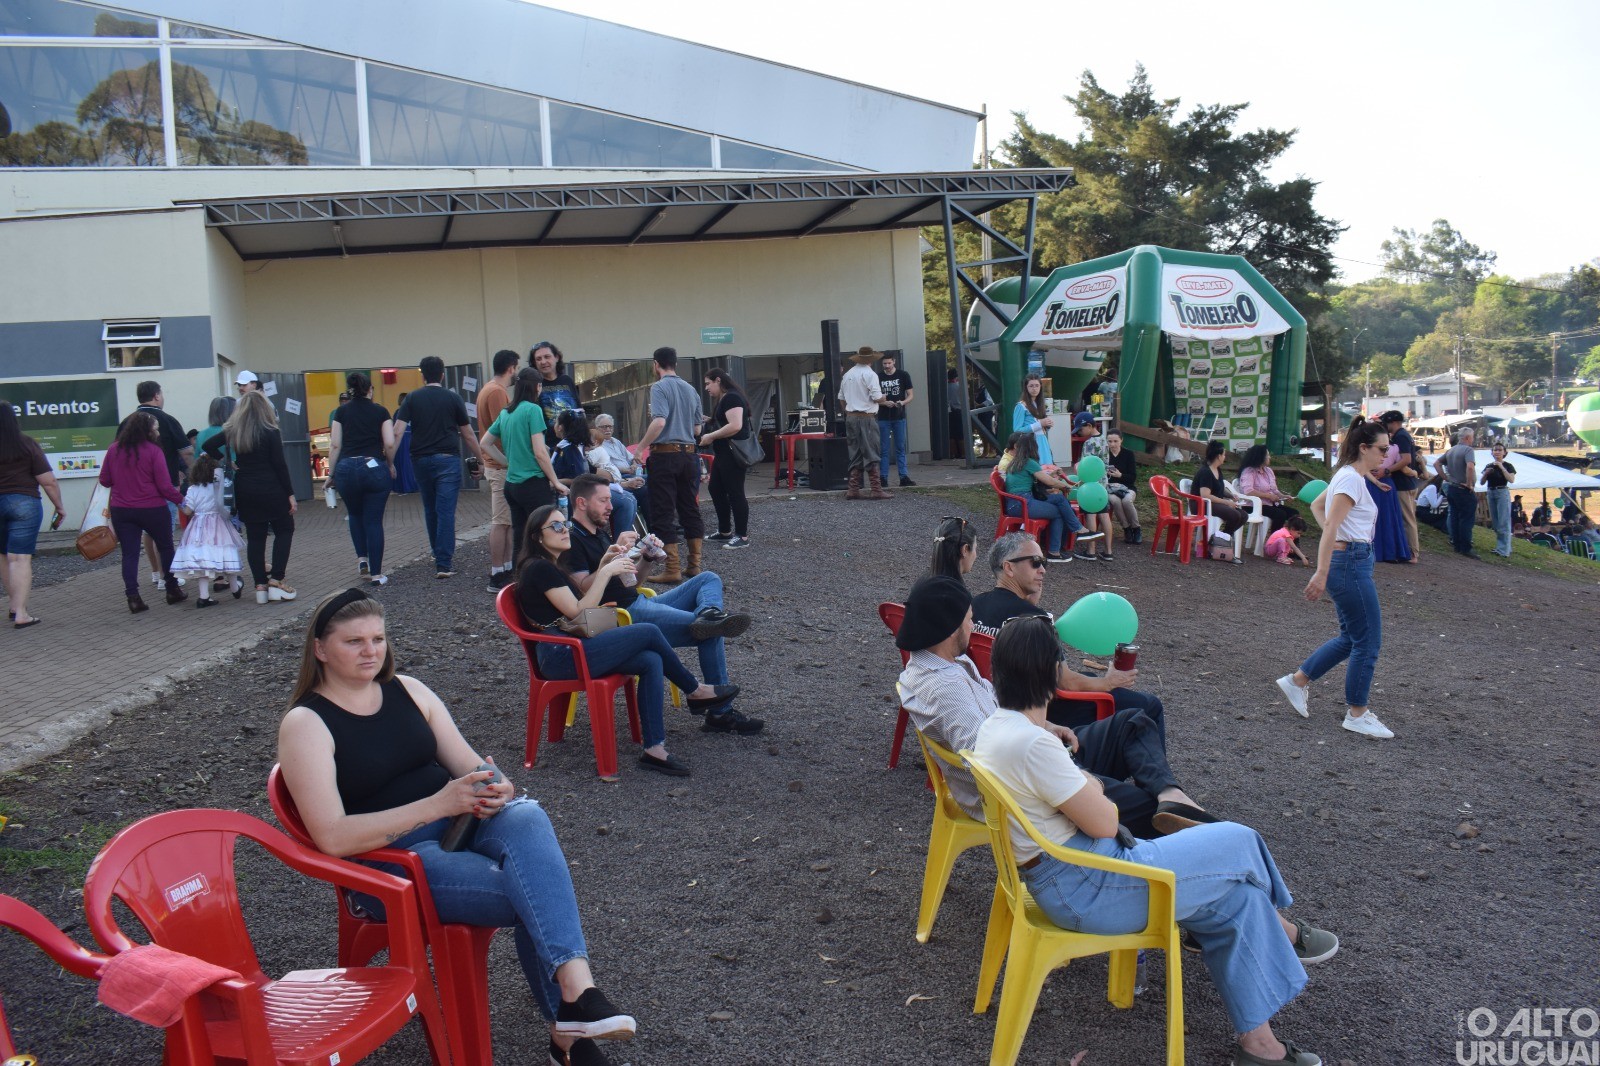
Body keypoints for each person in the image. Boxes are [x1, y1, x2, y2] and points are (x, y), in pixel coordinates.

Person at [276, 588, 639, 1066]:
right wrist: (436, 804)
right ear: (320, 649)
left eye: (378, 639)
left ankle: (578, 994)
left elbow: (470, 765)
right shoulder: (306, 723)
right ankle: (570, 1030)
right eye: (354, 642)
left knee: (527, 815)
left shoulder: (408, 690)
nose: (371, 652)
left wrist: (496, 785)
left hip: (459, 824)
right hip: (391, 864)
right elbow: (332, 836)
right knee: (534, 891)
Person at [973, 615, 1337, 1066]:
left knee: (1238, 899)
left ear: (1000, 670)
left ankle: (1260, 1048)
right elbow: (1105, 822)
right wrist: (1092, 783)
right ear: (1050, 672)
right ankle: (1287, 929)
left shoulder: (995, 729)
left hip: (1065, 878)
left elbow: (1051, 775)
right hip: (1090, 885)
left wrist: (1063, 754)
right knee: (1240, 839)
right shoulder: (1034, 746)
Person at [515, 504, 739, 777]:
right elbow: (577, 611)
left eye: (566, 524)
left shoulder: (550, 566)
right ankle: (694, 690)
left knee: (650, 659)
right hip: (561, 655)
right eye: (556, 526)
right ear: (537, 537)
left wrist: (603, 564)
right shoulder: (539, 568)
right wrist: (606, 572)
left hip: (568, 647)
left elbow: (579, 603)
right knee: (647, 631)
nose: (565, 530)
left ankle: (654, 749)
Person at [562, 474, 761, 735]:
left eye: (610, 500)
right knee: (713, 630)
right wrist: (608, 562)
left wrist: (646, 558)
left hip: (637, 601)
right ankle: (720, 714)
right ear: (581, 503)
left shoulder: (598, 533)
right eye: (603, 500)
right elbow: (582, 590)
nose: (611, 506)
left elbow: (631, 583)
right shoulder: (572, 540)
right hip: (620, 616)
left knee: (708, 579)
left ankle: (708, 613)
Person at [969, 531, 1168, 733]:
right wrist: (1108, 682)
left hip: (996, 702)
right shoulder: (1036, 621)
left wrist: (1029, 603)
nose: (1043, 570)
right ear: (1009, 568)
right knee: (1151, 705)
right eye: (1035, 562)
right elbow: (1065, 682)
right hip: (1044, 710)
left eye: (1044, 562)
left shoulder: (974, 606)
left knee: (1089, 674)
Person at [1276, 416, 1395, 739]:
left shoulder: (1350, 476)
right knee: (1367, 641)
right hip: (1350, 564)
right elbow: (1329, 523)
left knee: (1352, 637)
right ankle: (1357, 713)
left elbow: (1318, 506)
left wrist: (1339, 536)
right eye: (1382, 449)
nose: (1386, 455)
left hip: (1353, 560)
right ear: (1364, 447)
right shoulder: (1350, 480)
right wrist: (1322, 569)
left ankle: (1297, 681)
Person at [393, 357, 486, 579]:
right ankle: (443, 563)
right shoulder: (453, 398)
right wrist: (480, 459)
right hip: (447, 459)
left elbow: (397, 431)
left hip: (420, 460)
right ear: (442, 375)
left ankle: (437, 552)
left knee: (430, 508)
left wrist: (389, 461)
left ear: (422, 376)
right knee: (445, 511)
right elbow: (467, 433)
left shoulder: (412, 398)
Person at [204, 391, 298, 605]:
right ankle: (276, 579)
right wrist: (290, 493)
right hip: (272, 487)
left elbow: (209, 445)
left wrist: (227, 461)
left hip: (245, 487)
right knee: (285, 529)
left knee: (256, 537)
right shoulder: (271, 432)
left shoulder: (234, 430)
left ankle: (260, 586)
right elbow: (280, 465)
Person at [481, 368, 567, 568]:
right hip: (533, 485)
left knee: (520, 536)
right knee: (547, 535)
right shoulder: (532, 410)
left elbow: (485, 443)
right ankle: (550, 577)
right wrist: (555, 481)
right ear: (538, 387)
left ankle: (519, 578)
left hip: (512, 486)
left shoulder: (506, 412)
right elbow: (540, 452)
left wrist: (508, 462)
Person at [100, 412, 185, 613]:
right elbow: (164, 485)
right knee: (166, 547)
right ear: (147, 431)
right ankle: (172, 589)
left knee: (129, 554)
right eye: (155, 429)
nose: (158, 433)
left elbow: (105, 480)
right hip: (152, 508)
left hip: (122, 509)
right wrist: (182, 501)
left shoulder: (113, 449)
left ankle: (133, 597)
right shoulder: (154, 451)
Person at [636, 346, 708, 581]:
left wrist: (640, 448)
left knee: (663, 511)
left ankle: (672, 569)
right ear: (675, 364)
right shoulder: (691, 390)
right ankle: (694, 565)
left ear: (656, 364)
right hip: (689, 456)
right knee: (690, 509)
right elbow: (697, 429)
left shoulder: (659, 387)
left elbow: (659, 422)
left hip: (665, 456)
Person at [0, 398, 65, 629]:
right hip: (24, 504)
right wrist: (59, 506)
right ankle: (21, 613)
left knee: (3, 556)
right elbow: (48, 482)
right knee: (19, 558)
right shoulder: (27, 444)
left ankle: (13, 605)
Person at [328, 372, 396, 587]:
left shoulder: (341, 412)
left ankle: (362, 560)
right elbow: (389, 443)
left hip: (346, 468)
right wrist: (390, 464)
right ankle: (376, 574)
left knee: (355, 514)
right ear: (370, 390)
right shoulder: (381, 411)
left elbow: (335, 445)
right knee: (373, 521)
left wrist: (331, 474)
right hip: (373, 467)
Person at [1003, 432, 1099, 563]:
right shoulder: (1029, 462)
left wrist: (1052, 476)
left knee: (1059, 499)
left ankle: (1077, 531)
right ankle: (1056, 550)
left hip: (1016, 503)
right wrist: (1065, 486)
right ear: (1033, 447)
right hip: (1023, 504)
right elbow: (1049, 482)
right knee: (1059, 511)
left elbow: (1039, 480)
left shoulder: (1016, 462)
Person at [134, 380, 192, 591]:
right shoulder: (167, 420)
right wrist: (194, 473)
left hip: (138, 488)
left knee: (148, 531)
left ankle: (156, 572)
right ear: (157, 396)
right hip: (165, 485)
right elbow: (186, 451)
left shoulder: (129, 422)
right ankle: (167, 577)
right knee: (164, 532)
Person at [170, 452, 244, 607]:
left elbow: (187, 511)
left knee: (202, 561)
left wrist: (178, 501)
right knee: (226, 555)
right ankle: (235, 588)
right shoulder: (217, 487)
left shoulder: (193, 489)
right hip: (219, 524)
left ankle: (204, 596)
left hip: (198, 527)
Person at [477, 349, 520, 591]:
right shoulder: (496, 392)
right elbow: (502, 430)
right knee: (501, 521)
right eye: (516, 368)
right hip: (500, 465)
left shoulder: (489, 389)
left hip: (497, 464)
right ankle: (496, 574)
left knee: (506, 521)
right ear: (511, 368)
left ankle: (505, 568)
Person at [699, 369, 753, 549]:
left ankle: (742, 536)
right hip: (723, 453)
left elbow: (735, 425)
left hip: (733, 453)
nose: (706, 388)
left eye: (708, 383)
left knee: (735, 492)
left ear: (718, 380)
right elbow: (724, 421)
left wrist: (710, 436)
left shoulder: (732, 398)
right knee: (715, 488)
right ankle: (724, 531)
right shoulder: (724, 398)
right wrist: (708, 420)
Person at [838, 345, 893, 500]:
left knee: (855, 452)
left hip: (851, 417)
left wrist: (848, 412)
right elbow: (876, 398)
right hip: (866, 418)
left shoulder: (848, 374)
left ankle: (853, 489)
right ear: (871, 359)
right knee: (871, 451)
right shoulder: (870, 374)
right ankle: (876, 489)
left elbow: (841, 398)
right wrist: (884, 397)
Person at [587, 414, 648, 536]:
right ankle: (625, 539)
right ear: (596, 428)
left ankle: (654, 530)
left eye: (610, 426)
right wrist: (627, 471)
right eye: (604, 427)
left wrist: (633, 465)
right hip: (618, 477)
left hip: (626, 475)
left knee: (652, 483)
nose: (608, 429)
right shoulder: (597, 446)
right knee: (643, 489)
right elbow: (604, 469)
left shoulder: (616, 442)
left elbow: (632, 458)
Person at [1378, 410, 1422, 561]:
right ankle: (1408, 550)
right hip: (1407, 482)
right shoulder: (1402, 435)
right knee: (1406, 517)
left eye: (1387, 423)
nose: (1385, 426)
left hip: (1404, 484)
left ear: (1394, 422)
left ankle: (1413, 552)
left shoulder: (1401, 436)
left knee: (1407, 518)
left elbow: (1406, 459)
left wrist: (1387, 470)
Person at [1432, 426, 1479, 558]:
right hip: (1463, 488)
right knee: (1466, 519)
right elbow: (1470, 467)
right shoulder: (1468, 450)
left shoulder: (1451, 450)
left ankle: (1457, 545)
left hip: (1452, 487)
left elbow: (1436, 464)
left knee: (1454, 517)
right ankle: (1466, 547)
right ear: (1468, 438)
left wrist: (1445, 477)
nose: (1473, 440)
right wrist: (1469, 483)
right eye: (1472, 437)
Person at [1192, 440, 1246, 554]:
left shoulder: (1217, 470)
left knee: (1243, 515)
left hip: (1214, 503)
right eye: (1224, 454)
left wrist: (1230, 495)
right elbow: (1205, 495)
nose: (1224, 457)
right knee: (1235, 515)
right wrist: (1227, 502)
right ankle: (1220, 541)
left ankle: (1221, 539)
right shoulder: (1206, 472)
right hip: (1201, 504)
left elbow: (1219, 488)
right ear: (1218, 456)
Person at [1365, 440, 1412, 565]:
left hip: (1372, 482)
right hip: (1386, 481)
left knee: (1372, 517)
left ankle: (1372, 549)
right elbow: (1404, 467)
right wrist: (1416, 472)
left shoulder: (1368, 446)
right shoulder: (1395, 447)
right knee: (1388, 517)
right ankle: (1391, 552)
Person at [530, 342, 580, 448]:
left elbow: (579, 411)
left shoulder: (567, 380)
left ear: (556, 357)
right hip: (548, 447)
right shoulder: (534, 385)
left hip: (574, 443)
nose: (543, 362)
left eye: (547, 357)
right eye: (538, 359)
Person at [876, 352, 915, 487]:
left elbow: (910, 395)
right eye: (884, 364)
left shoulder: (903, 375)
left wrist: (902, 402)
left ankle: (903, 477)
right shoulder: (878, 377)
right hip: (883, 417)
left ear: (894, 362)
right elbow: (873, 398)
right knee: (884, 449)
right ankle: (883, 477)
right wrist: (883, 403)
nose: (887, 366)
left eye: (889, 363)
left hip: (899, 416)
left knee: (900, 447)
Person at [1237, 445, 1297, 532]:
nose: (1270, 457)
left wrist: (1283, 496)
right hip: (1253, 505)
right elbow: (1248, 491)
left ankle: (1292, 538)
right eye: (1268, 455)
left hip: (1269, 504)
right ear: (1261, 457)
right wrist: (1268, 496)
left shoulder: (1268, 471)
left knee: (1294, 514)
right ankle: (1275, 539)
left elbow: (1274, 490)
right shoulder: (1249, 471)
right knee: (1280, 514)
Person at [1103, 430, 1142, 545]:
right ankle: (1126, 528)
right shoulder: (1104, 455)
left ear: (1121, 440)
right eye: (1110, 441)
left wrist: (1120, 475)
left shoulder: (1128, 454)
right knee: (1115, 501)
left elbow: (1132, 477)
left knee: (1126, 501)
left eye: (1115, 441)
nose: (1112, 444)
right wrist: (1106, 476)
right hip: (1110, 488)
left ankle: (1136, 528)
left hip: (1127, 487)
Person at [1479, 443, 1516, 558]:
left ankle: (1503, 550)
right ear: (1492, 452)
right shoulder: (1489, 465)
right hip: (1491, 492)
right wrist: (1486, 473)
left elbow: (1511, 480)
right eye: (1495, 450)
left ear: (1504, 452)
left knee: (1504, 521)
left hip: (1502, 492)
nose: (1497, 452)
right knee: (1495, 522)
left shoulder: (1508, 466)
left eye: (1500, 450)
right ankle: (1504, 547)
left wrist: (1501, 467)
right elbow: (1482, 482)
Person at [1012, 372, 1056, 467]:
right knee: (1036, 469)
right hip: (1031, 444)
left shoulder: (1039, 404)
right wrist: (1040, 424)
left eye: (1037, 385)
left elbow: (1040, 427)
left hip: (1042, 442)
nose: (1034, 388)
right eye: (1031, 386)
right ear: (1026, 388)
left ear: (1040, 387)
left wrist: (1047, 425)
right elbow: (1017, 430)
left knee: (1047, 469)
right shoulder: (1021, 406)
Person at [389, 392, 418, 494]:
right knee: (409, 463)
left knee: (402, 463)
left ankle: (402, 486)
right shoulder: (413, 412)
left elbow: (395, 429)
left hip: (401, 440)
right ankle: (411, 485)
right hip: (410, 438)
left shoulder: (398, 412)